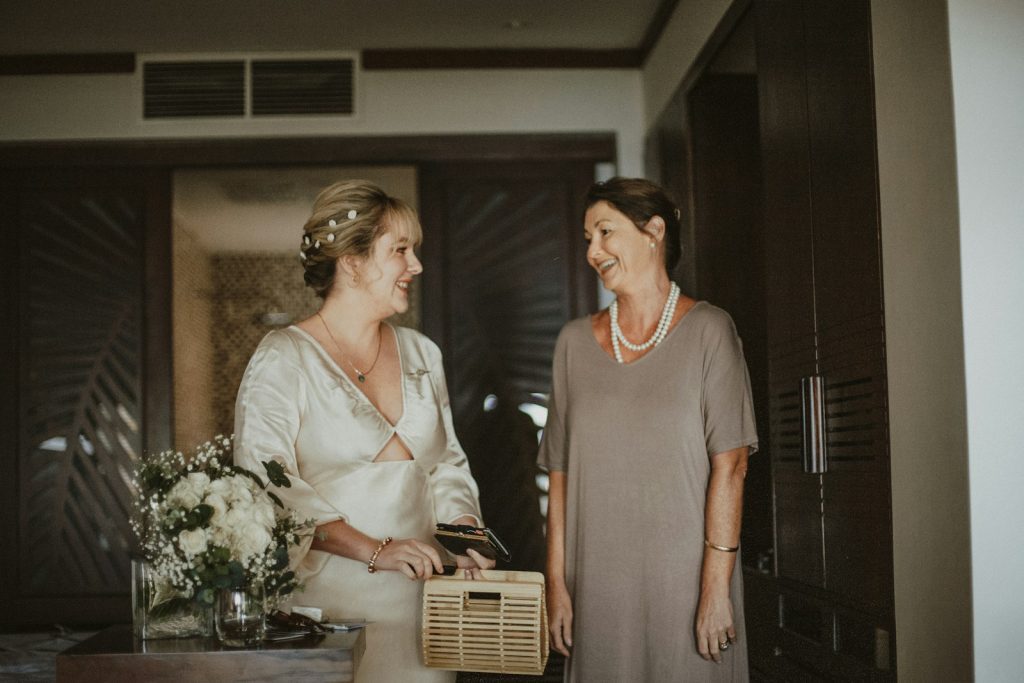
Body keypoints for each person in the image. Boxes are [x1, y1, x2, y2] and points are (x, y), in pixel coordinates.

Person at [234, 179, 494, 682]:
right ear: (351, 262)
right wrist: (376, 550)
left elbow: (444, 464)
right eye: (400, 250)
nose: (416, 265)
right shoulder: (284, 357)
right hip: (328, 609)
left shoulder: (422, 353)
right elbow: (266, 483)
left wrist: (466, 535)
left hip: (422, 608)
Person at [539, 177, 758, 682]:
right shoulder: (572, 343)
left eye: (605, 232)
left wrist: (715, 590)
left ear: (654, 231)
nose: (592, 251)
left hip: (687, 585)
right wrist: (557, 584)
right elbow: (559, 474)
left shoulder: (710, 331)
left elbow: (731, 466)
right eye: (588, 238)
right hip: (598, 587)